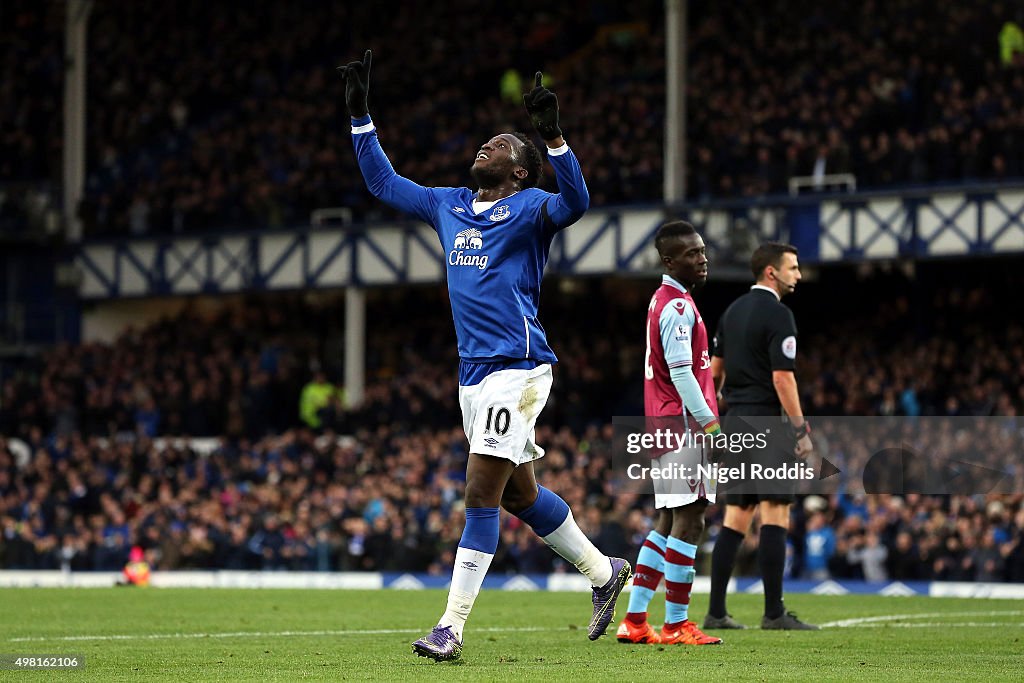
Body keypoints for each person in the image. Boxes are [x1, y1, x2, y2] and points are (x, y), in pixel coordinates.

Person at [338, 50, 631, 662]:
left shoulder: (529, 209)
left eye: (499, 145)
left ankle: (450, 628)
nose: (485, 147)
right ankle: (606, 574)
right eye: (487, 141)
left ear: (519, 171)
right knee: (521, 496)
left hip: (517, 367)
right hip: (474, 374)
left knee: (479, 490)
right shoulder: (447, 204)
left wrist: (553, 138)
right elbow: (384, 184)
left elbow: (575, 204)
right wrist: (362, 116)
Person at [615, 221, 723, 646]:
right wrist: (710, 425)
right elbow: (681, 373)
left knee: (667, 520)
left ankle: (636, 620)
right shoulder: (677, 306)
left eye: (702, 250)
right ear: (669, 261)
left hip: (662, 425)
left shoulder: (663, 300)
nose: (703, 258)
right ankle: (677, 624)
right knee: (691, 519)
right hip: (682, 426)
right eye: (692, 253)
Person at [703, 242, 819, 630]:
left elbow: (714, 373)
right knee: (775, 511)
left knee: (736, 516)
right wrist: (800, 430)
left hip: (735, 423)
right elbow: (782, 378)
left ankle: (716, 612)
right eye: (793, 267)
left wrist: (719, 421)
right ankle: (773, 613)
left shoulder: (731, 312)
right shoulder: (780, 316)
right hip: (768, 423)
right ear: (771, 272)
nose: (798, 275)